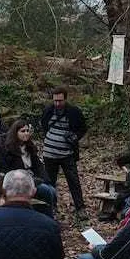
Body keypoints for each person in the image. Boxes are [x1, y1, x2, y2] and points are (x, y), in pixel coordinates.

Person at [40, 87, 88, 219]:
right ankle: (51, 207)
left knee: (73, 181)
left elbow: (82, 128)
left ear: (65, 99)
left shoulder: (74, 112)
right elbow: (43, 124)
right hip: (49, 153)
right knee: (50, 182)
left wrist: (74, 137)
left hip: (67, 153)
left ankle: (80, 207)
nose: (57, 104)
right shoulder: (48, 110)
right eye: (55, 101)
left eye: (60, 101)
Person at [0, 119, 58, 216]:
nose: (26, 133)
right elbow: (6, 169)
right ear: (15, 133)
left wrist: (44, 179)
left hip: (33, 178)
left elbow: (38, 166)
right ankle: (49, 217)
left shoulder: (29, 146)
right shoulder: (8, 149)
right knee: (46, 191)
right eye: (22, 131)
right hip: (18, 181)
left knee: (52, 189)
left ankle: (47, 213)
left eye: (27, 131)